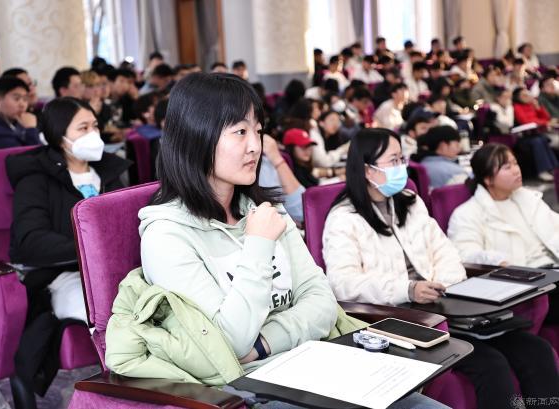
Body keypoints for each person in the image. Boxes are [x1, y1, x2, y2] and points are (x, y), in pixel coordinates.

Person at [104, 72, 445, 409]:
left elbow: (323, 302)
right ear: (197, 137)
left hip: (318, 361)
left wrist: (265, 342)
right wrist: (258, 244)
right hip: (254, 390)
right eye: (240, 132)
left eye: (258, 130)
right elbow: (230, 343)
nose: (256, 145)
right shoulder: (167, 235)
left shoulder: (266, 211)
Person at [322, 128, 559, 409]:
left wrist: (443, 287)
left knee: (535, 350)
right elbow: (343, 283)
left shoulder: (410, 203)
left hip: (446, 308)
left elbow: (446, 253)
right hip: (398, 319)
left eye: (402, 159)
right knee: (491, 365)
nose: (402, 167)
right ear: (367, 170)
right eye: (393, 161)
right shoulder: (344, 219)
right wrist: (408, 290)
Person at [6, 97, 130, 396]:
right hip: (64, 276)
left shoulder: (108, 172)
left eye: (95, 126)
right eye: (83, 128)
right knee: (114, 318)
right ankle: (126, 394)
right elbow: (30, 240)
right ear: (59, 135)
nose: (93, 134)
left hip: (119, 274)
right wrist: (90, 250)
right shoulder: (36, 178)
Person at [0, 76, 40, 151]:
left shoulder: (12, 121)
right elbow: (37, 155)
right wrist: (31, 130)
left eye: (25, 99)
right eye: (16, 99)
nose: (22, 105)